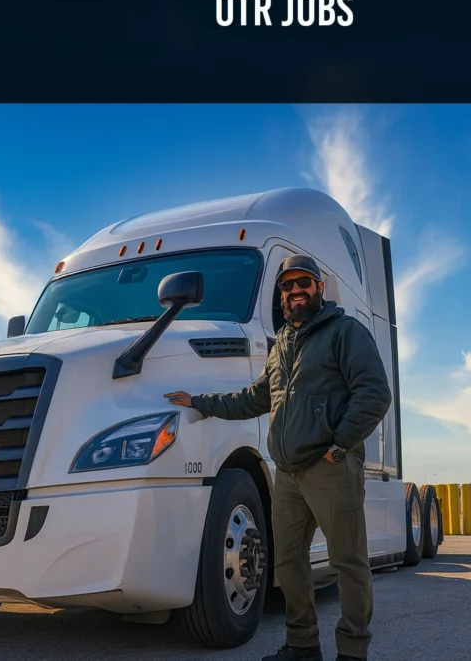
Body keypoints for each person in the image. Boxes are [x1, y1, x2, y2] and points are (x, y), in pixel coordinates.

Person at [165, 254, 392, 661]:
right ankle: (303, 645)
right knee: (287, 563)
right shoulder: (283, 342)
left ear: (319, 287)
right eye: (287, 285)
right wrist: (201, 402)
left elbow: (375, 393)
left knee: (348, 563)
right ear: (282, 294)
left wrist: (340, 444)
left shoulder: (345, 332)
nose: (295, 290)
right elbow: (255, 397)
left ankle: (353, 651)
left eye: (303, 282)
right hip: (287, 474)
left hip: (330, 468)